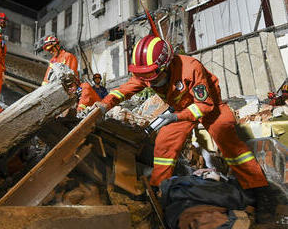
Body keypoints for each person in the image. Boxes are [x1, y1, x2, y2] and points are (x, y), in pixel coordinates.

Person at [95, 34, 270, 194]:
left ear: (167, 65)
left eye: (152, 77)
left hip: (209, 106)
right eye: (144, 77)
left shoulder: (191, 68)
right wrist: (104, 105)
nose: (149, 82)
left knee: (227, 138)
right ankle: (159, 188)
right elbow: (123, 90)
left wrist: (177, 117)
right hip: (180, 109)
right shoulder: (148, 73)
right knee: (164, 141)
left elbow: (204, 105)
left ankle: (257, 187)